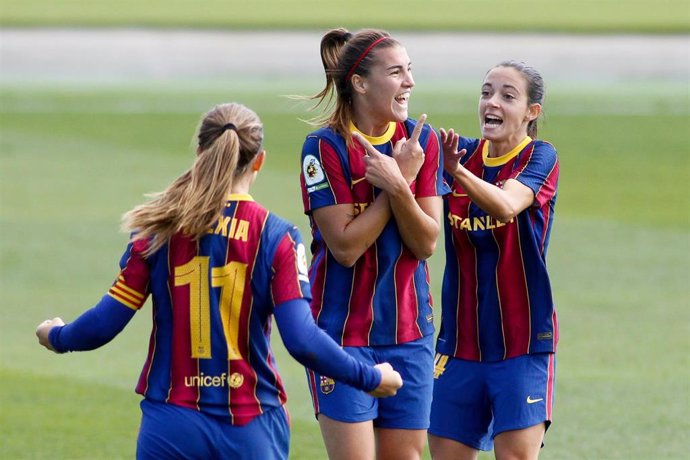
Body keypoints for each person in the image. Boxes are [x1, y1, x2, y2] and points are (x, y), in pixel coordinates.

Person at [35, 102, 403, 460]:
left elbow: (105, 322)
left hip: (171, 423)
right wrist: (370, 377)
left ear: (199, 153)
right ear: (259, 161)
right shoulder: (276, 236)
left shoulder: (157, 231)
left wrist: (57, 336)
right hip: (251, 424)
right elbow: (302, 340)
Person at [298, 28, 450, 460]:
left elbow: (426, 243)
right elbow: (345, 247)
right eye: (397, 72)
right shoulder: (324, 147)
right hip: (343, 336)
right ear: (360, 83)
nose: (410, 83)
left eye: (410, 71)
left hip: (410, 335)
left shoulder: (422, 143)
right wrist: (397, 183)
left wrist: (398, 185)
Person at [428, 61, 560, 460]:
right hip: (458, 344)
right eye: (486, 92)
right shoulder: (461, 153)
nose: (492, 103)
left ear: (531, 112)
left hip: (521, 343)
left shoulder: (540, 156)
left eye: (507, 95)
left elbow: (506, 205)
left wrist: (457, 174)